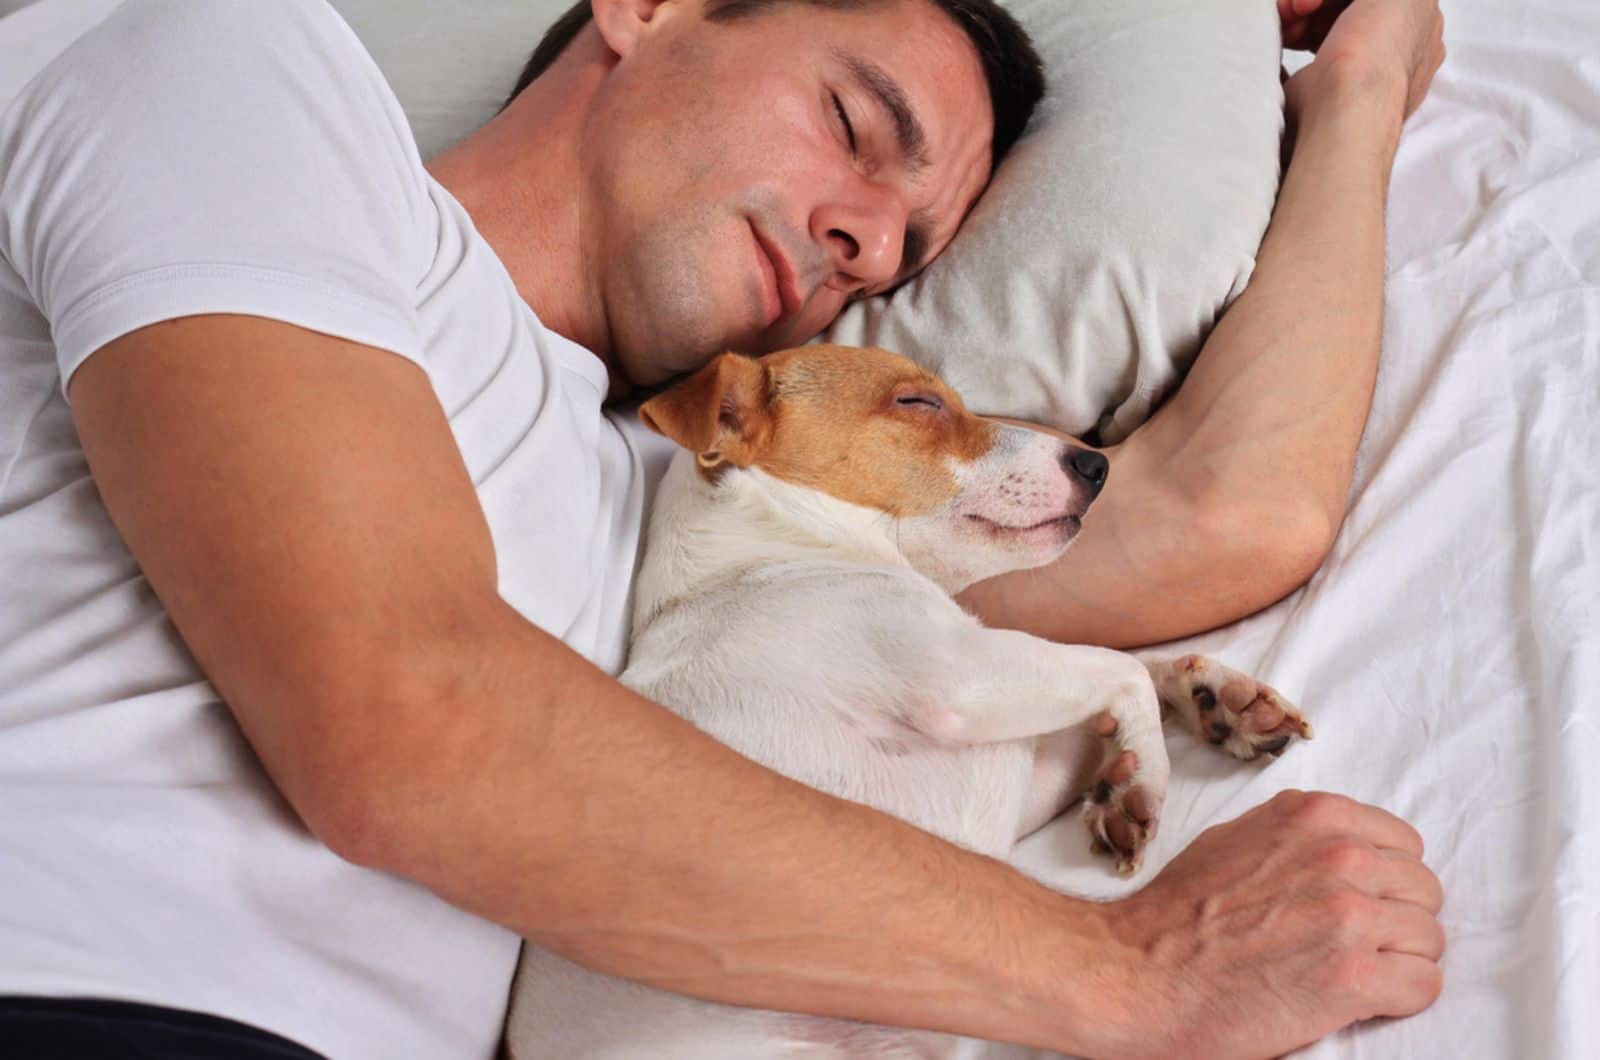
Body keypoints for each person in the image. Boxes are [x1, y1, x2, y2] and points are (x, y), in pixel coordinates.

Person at [0, 0, 1446, 1056]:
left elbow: (1223, 513)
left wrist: (1361, 98)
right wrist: (1132, 970)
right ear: (647, 9)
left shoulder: (693, 502)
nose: (868, 244)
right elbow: (402, 720)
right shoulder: (231, 74)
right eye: (853, 126)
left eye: (906, 250)